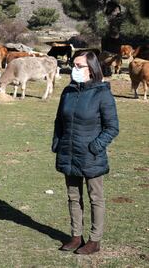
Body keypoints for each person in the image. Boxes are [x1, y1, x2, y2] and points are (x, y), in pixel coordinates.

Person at [52, 51, 119, 254]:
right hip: (69, 152)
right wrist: (58, 144)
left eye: (79, 65)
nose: (75, 69)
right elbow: (59, 121)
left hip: (91, 155)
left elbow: (112, 127)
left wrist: (95, 147)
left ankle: (94, 240)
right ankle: (75, 236)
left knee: (95, 197)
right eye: (74, 65)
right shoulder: (68, 91)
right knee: (73, 196)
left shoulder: (102, 93)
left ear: (92, 68)